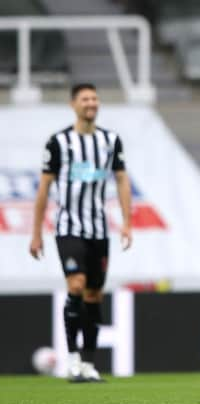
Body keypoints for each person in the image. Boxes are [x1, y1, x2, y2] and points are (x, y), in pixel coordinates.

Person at [29, 83, 132, 382]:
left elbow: (122, 180)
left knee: (94, 294)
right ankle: (72, 360)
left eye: (95, 98)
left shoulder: (110, 141)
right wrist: (36, 233)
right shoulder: (59, 143)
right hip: (69, 228)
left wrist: (127, 222)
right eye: (85, 98)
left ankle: (88, 363)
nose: (92, 103)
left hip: (98, 230)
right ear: (73, 104)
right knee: (75, 285)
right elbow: (44, 189)